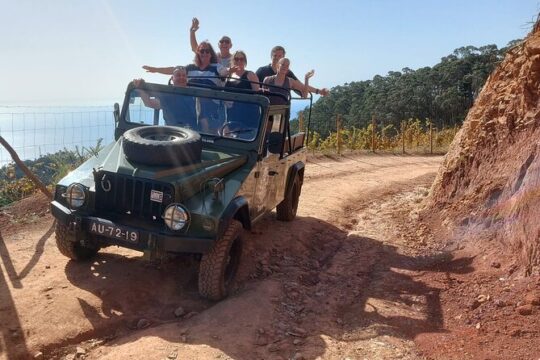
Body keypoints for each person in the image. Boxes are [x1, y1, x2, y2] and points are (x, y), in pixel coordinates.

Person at [143, 42, 230, 132]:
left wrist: (228, 71)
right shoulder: (190, 68)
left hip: (211, 109)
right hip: (191, 104)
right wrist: (155, 70)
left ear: (211, 53)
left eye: (207, 51)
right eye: (202, 51)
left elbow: (224, 72)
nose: (204, 53)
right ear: (198, 53)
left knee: (209, 135)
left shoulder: (216, 67)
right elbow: (175, 70)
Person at [132, 66, 197, 128]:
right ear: (172, 78)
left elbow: (203, 119)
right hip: (173, 133)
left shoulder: (195, 96)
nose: (181, 77)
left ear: (187, 78)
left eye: (183, 75)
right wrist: (140, 88)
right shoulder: (167, 96)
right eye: (178, 75)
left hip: (193, 133)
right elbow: (149, 103)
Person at [263, 58, 329, 103]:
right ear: (278, 66)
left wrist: (306, 79)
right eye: (283, 64)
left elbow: (304, 96)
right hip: (268, 111)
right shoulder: (267, 80)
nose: (285, 67)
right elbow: (263, 97)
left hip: (282, 112)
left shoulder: (290, 81)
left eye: (287, 65)